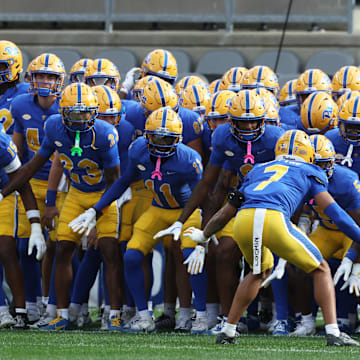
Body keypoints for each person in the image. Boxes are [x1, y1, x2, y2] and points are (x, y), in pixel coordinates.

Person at [184, 129, 360, 346]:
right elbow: (337, 215)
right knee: (321, 268)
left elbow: (228, 210)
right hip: (272, 218)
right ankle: (334, 334)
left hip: (243, 220)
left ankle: (228, 331)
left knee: (258, 272)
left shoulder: (259, 168)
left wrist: (204, 235)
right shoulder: (309, 170)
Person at [69, 107, 208, 333]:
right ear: (146, 135)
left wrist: (198, 234)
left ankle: (200, 316)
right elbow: (123, 181)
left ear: (179, 139)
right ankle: (144, 316)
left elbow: (201, 196)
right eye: (156, 137)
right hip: (157, 209)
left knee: (191, 255)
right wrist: (96, 210)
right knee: (132, 256)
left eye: (167, 138)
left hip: (186, 211)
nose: (161, 143)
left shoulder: (188, 159)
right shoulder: (139, 150)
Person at [0, 82, 121, 330]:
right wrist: (3, 193)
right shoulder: (54, 126)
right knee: (63, 248)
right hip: (76, 194)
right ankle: (62, 314)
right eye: (73, 113)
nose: (79, 119)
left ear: (94, 111)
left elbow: (115, 183)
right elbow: (32, 167)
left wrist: (96, 212)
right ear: (62, 111)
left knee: (109, 251)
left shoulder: (105, 134)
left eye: (85, 112)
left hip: (103, 195)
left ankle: (115, 315)